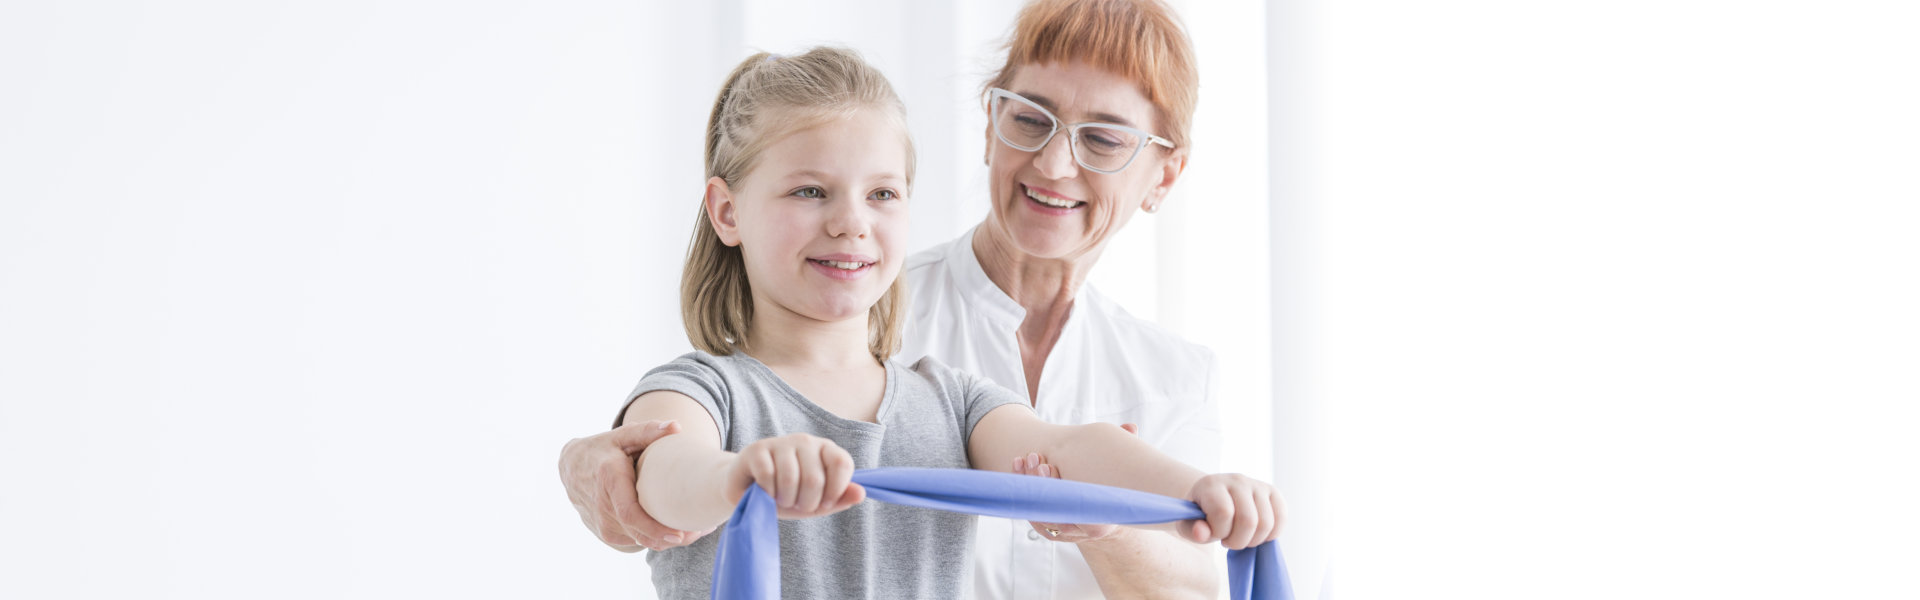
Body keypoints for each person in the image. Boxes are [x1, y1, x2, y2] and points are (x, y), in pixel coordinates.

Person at [559, 1, 1242, 597]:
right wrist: (741, 476)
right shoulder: (706, 390)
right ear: (728, 211)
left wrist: (1200, 492)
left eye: (882, 194)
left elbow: (1073, 447)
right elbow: (666, 474)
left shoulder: (951, 399)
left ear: (1164, 175)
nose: (851, 222)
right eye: (809, 191)